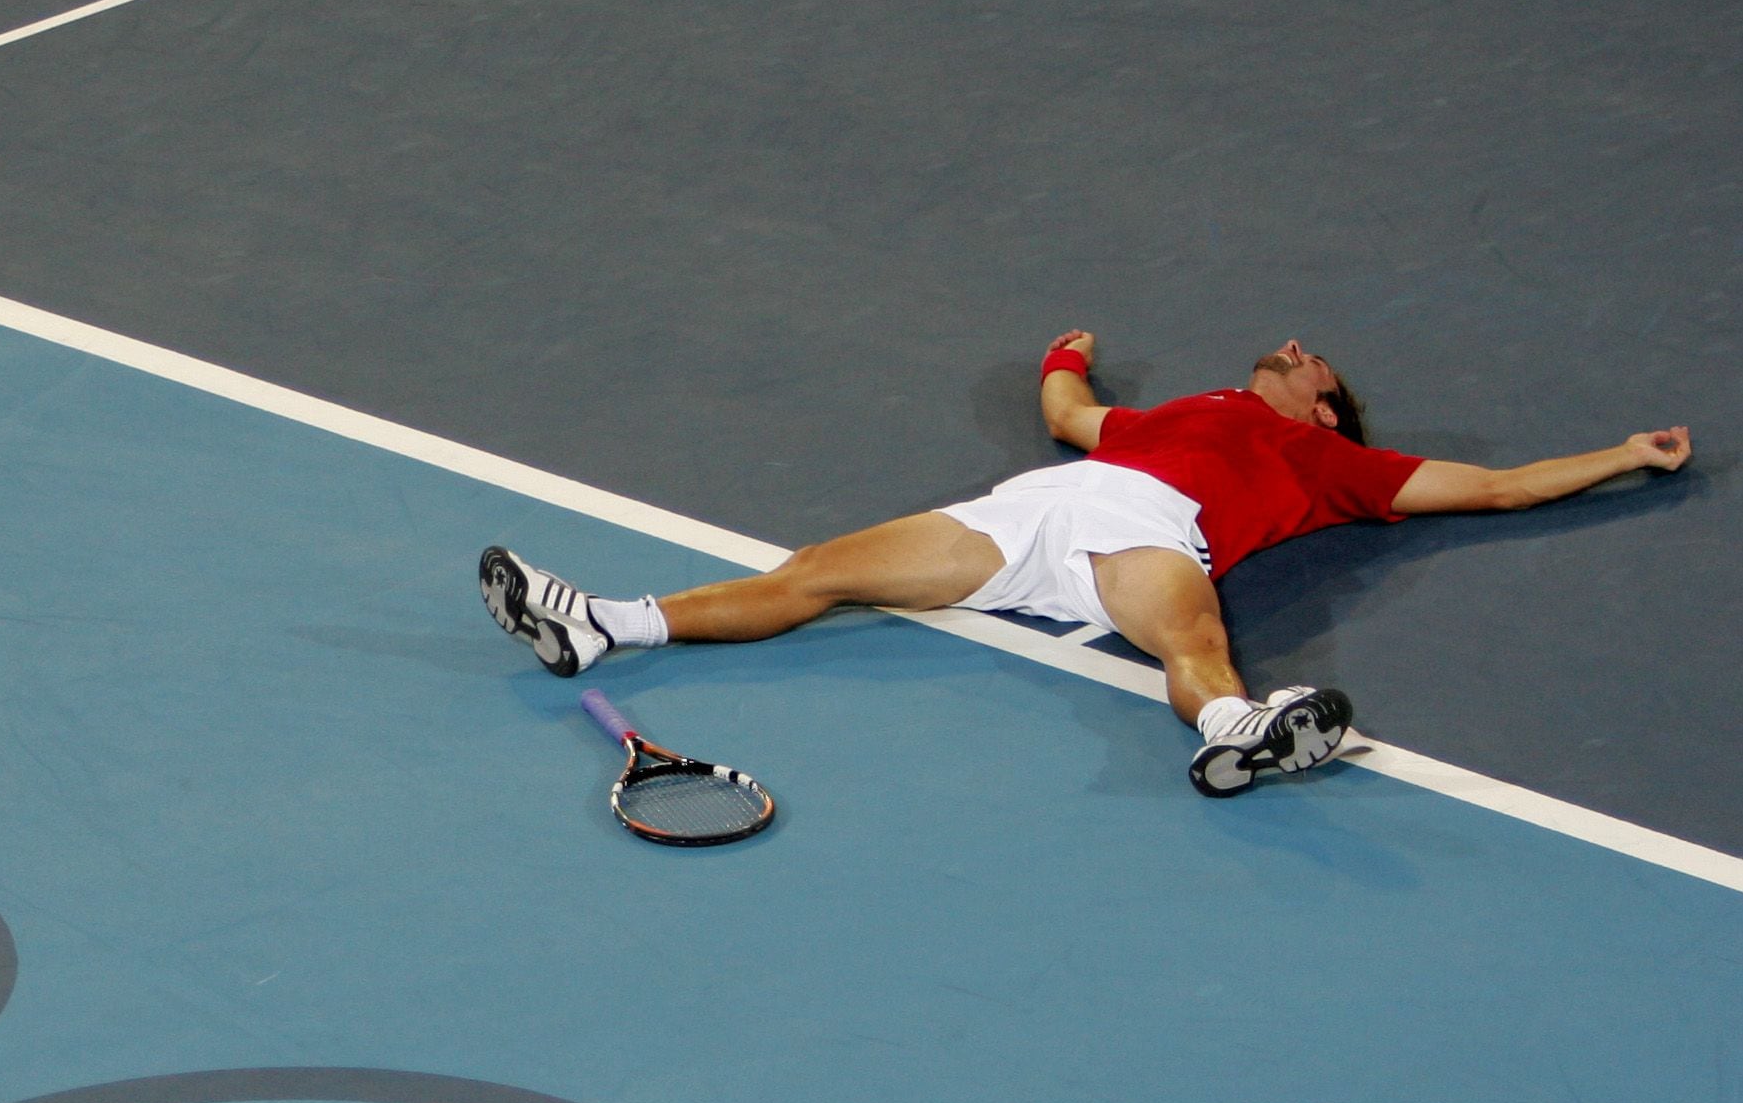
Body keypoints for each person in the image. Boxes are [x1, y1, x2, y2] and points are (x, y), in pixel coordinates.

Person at [480, 334, 1694, 795]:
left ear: (1329, 414)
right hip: (1031, 512)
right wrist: (1064, 355)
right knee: (819, 571)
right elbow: (1068, 416)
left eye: (1313, 365)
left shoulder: (1336, 465)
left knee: (1190, 638)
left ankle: (1236, 726)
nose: (1293, 350)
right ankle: (602, 625)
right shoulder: (1183, 408)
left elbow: (1491, 487)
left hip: (1149, 531)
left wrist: (1627, 455)